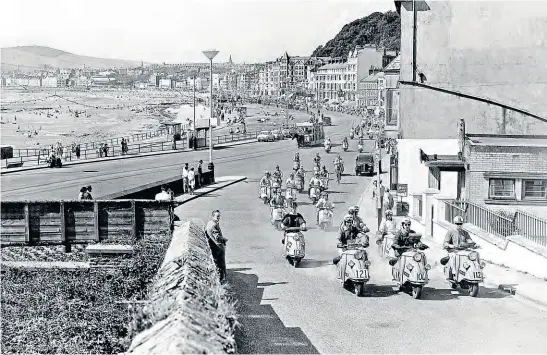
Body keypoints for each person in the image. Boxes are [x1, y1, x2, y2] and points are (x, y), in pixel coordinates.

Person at [205, 210, 228, 282]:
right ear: (213, 216)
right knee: (221, 264)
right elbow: (217, 237)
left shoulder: (210, 223)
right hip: (218, 247)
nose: (219, 218)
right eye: (217, 216)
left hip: (214, 246)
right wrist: (224, 239)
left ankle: (221, 278)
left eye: (219, 216)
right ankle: (221, 280)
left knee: (218, 263)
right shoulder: (214, 225)